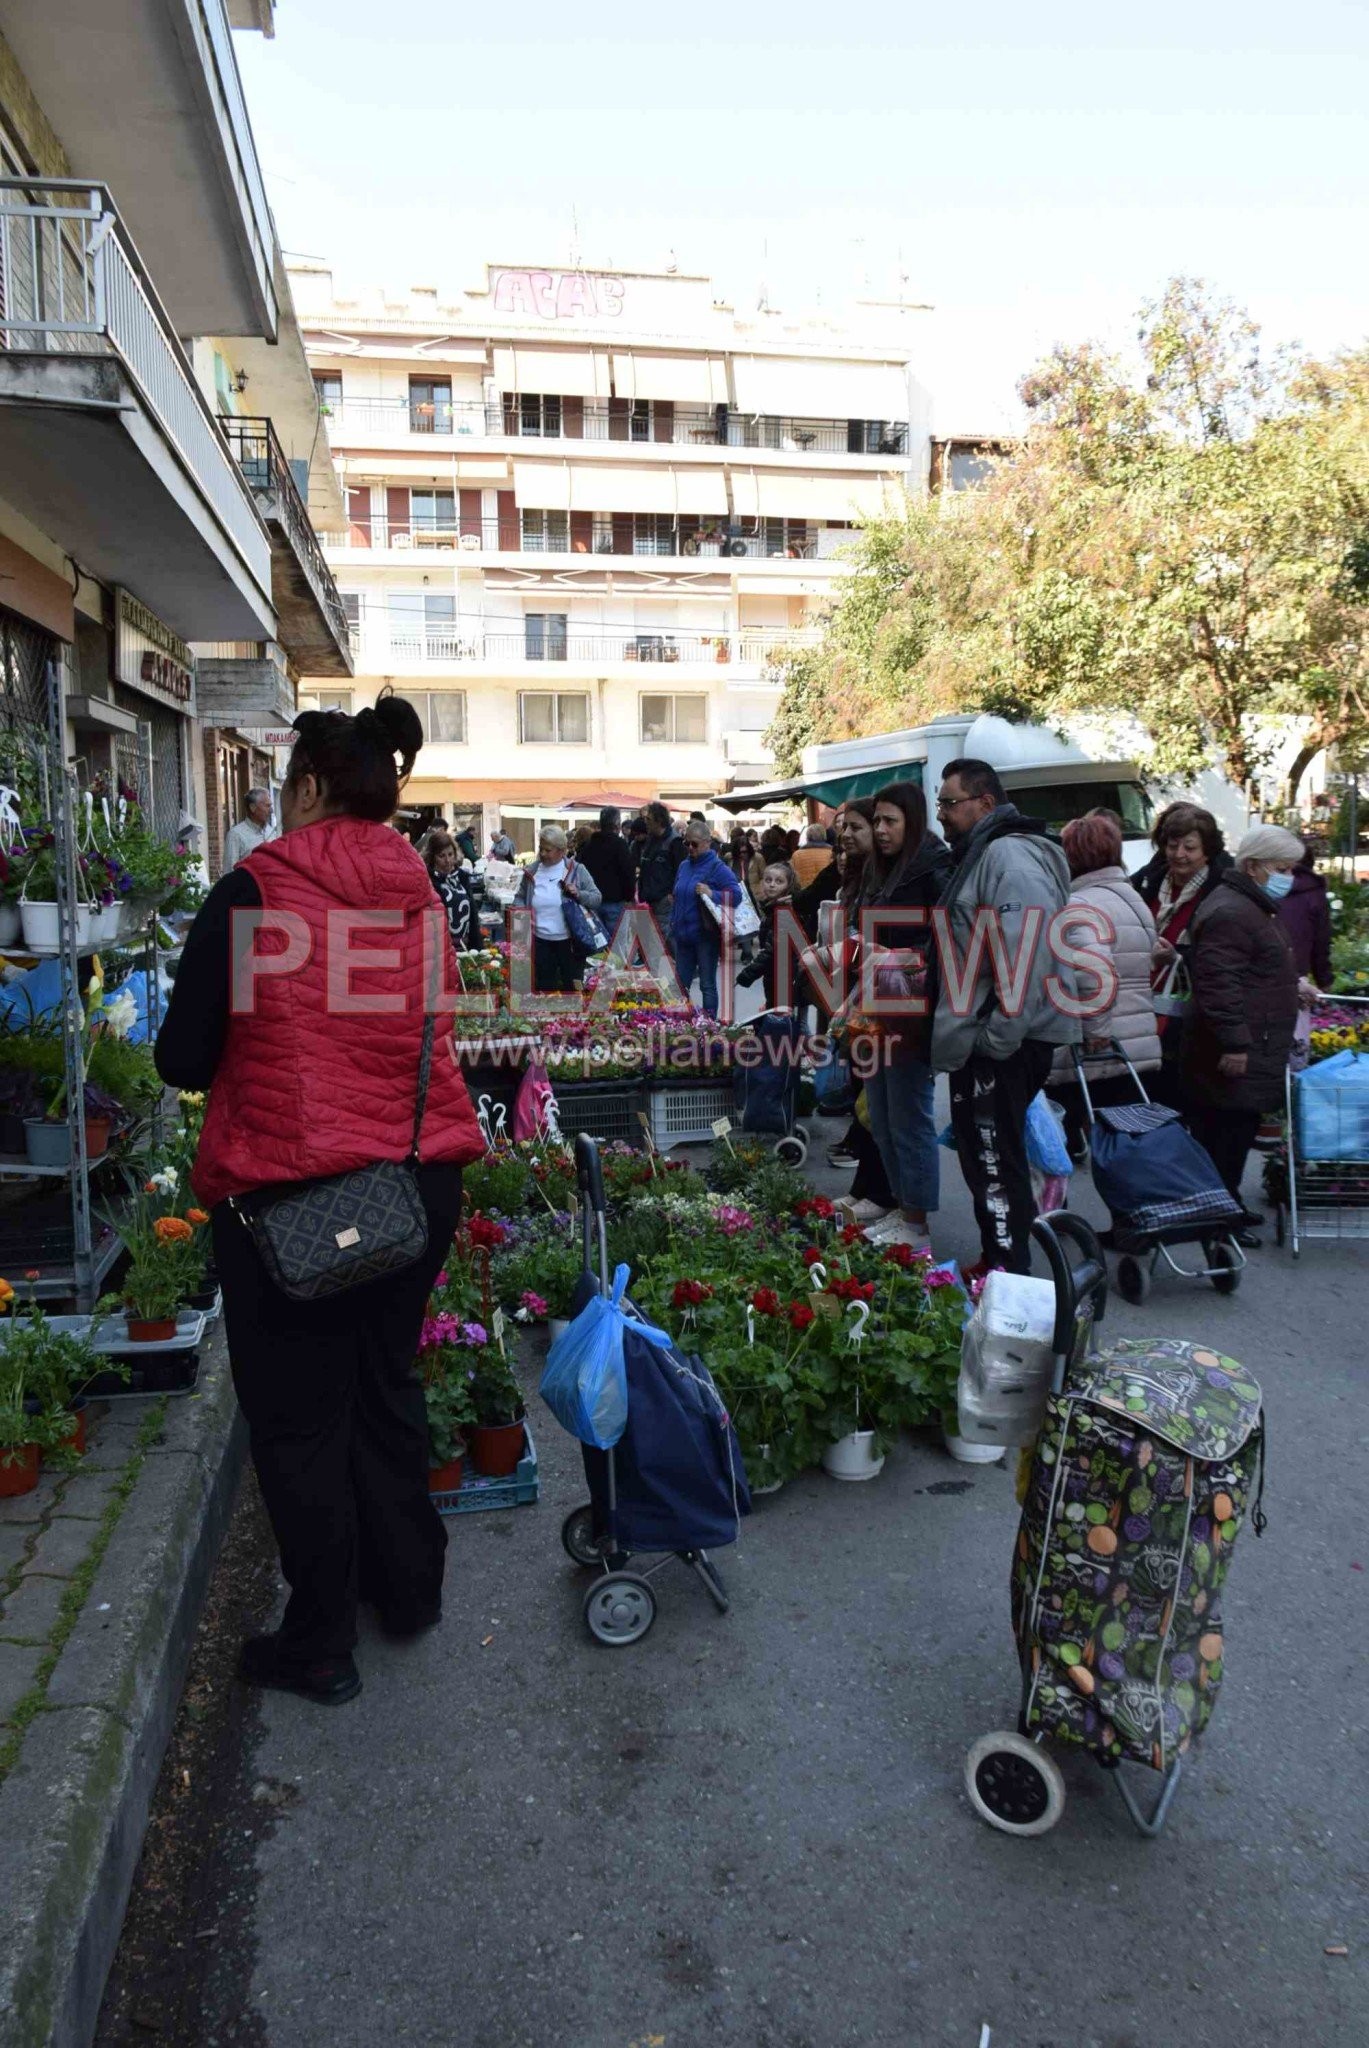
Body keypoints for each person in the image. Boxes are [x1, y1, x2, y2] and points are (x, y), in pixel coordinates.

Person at [153, 696, 485, 1706]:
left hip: (293, 1201)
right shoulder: (420, 890)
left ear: (303, 785)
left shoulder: (254, 889)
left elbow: (181, 1056)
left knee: (300, 1425)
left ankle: (320, 1643)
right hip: (413, 1185)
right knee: (386, 1390)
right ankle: (408, 1592)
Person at [933, 758, 1078, 1278]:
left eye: (950, 803)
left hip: (1004, 1040)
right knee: (985, 1157)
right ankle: (998, 1261)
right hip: (990, 1036)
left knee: (995, 1160)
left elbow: (1026, 954)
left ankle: (1009, 1275)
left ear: (985, 803)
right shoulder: (985, 854)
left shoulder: (1009, 857)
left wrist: (995, 1037)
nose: (942, 814)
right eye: (940, 803)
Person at [1181, 823, 1303, 1229]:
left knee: (1234, 1133)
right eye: (1282, 868)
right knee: (1225, 1136)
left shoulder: (1248, 906)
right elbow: (1218, 983)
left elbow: (1251, 969)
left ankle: (1225, 1208)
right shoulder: (1234, 910)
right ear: (1254, 867)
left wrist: (1294, 985)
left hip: (1253, 1039)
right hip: (1237, 1047)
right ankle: (1220, 1219)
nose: (1289, 877)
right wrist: (1235, 1043)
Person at [857, 782, 952, 1251]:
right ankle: (901, 1207)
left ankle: (917, 1224)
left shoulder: (933, 869)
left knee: (909, 1115)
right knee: (882, 1112)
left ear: (912, 821)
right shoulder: (882, 871)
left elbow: (947, 944)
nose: (881, 830)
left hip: (912, 1013)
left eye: (890, 820)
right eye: (877, 821)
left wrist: (897, 958)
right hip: (878, 1008)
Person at [1046, 814, 1161, 1157]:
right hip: (1136, 1047)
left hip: (1097, 1052)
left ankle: (1053, 1214)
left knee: (1055, 1155)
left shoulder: (1079, 904)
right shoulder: (1133, 898)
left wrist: (1096, 1029)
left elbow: (1097, 971)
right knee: (1128, 1160)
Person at [1132, 803, 1231, 1108]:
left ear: (1207, 851)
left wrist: (1178, 957)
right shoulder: (1150, 879)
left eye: (1190, 847)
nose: (1179, 855)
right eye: (1172, 846)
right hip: (1140, 998)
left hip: (1184, 1013)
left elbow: (1220, 953)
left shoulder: (1220, 888)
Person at [515, 824, 602, 994]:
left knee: (572, 988)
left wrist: (579, 894)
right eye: (541, 848)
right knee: (544, 988)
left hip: (570, 943)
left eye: (548, 850)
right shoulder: (532, 871)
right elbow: (519, 896)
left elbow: (597, 898)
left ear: (562, 850)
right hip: (540, 941)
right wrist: (520, 911)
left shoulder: (577, 870)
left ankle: (573, 1020)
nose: (543, 854)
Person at [671, 816, 741, 1017]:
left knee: (707, 984)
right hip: (683, 935)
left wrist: (713, 894)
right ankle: (680, 1022)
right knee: (681, 984)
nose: (690, 848)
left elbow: (736, 896)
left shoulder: (717, 868)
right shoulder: (684, 865)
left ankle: (709, 1025)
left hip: (705, 936)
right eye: (686, 843)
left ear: (707, 843)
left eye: (694, 844)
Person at [737, 859, 802, 1010]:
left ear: (788, 886)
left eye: (779, 881)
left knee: (784, 1021)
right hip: (777, 974)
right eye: (768, 880)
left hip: (784, 976)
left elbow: (772, 950)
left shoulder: (783, 911)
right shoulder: (772, 908)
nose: (772, 884)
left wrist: (748, 974)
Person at [577, 806, 637, 950]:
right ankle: (614, 972)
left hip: (592, 903)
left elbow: (580, 873)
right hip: (615, 902)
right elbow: (628, 873)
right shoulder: (620, 845)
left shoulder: (588, 846)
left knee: (597, 946)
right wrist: (630, 897)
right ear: (617, 824)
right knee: (617, 947)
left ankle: (597, 972)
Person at [1276, 845, 1333, 988]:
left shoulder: (1266, 885)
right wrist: (1324, 981)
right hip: (1297, 974)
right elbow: (1321, 941)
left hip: (1261, 976)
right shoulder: (1314, 893)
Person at [636, 801, 686, 943]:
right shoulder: (651, 840)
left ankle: (678, 965)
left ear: (659, 821)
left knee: (666, 940)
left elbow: (681, 871)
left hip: (664, 901)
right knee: (652, 941)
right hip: (648, 898)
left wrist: (672, 894)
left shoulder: (674, 842)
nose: (645, 822)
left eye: (649, 819)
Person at [424, 826, 474, 950]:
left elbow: (473, 914)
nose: (447, 860)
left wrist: (477, 947)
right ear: (432, 857)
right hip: (439, 948)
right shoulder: (428, 880)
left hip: (465, 947)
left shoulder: (461, 876)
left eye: (450, 854)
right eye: (441, 856)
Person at [222, 786, 275, 871]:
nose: (271, 810)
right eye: (267, 806)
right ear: (252, 807)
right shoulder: (236, 835)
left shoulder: (271, 832)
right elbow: (229, 871)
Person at [792, 822, 835, 890]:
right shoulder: (832, 853)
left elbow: (793, 876)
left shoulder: (797, 855)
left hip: (804, 892)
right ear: (824, 835)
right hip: (826, 890)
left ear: (807, 836)